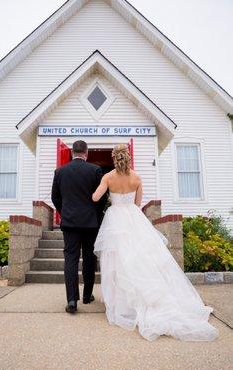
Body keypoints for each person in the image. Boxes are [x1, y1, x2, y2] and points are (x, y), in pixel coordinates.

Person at [92, 144, 218, 341]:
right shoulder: (137, 178)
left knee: (117, 261)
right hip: (134, 218)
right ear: (128, 157)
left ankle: (121, 304)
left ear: (114, 158)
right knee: (141, 259)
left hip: (116, 218)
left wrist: (103, 193)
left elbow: (95, 197)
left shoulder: (108, 177)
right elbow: (137, 204)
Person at [51, 140, 107, 313]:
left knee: (71, 259)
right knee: (90, 260)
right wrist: (96, 216)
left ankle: (71, 300)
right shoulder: (95, 170)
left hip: (69, 223)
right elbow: (102, 198)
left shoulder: (60, 172)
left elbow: (55, 197)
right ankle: (86, 296)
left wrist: (65, 212)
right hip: (91, 223)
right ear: (86, 153)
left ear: (72, 153)